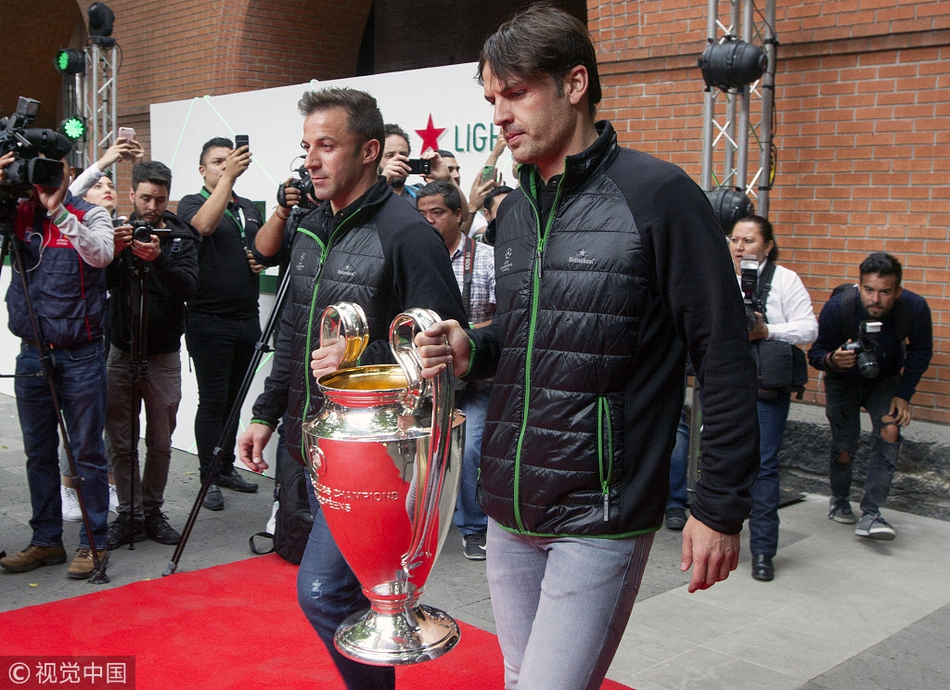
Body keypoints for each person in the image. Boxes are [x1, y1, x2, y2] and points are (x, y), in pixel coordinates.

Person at [414, 5, 760, 689]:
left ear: (574, 84)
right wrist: (473, 348)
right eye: (492, 99)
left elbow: (722, 353)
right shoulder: (515, 211)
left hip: (600, 513)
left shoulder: (659, 195)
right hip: (510, 505)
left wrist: (718, 506)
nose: (500, 115)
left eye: (516, 93)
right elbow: (530, 337)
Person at [237, 86, 466, 690]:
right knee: (344, 593)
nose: (310, 161)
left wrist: (361, 360)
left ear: (368, 151)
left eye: (326, 146)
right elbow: (294, 335)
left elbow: (446, 352)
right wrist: (265, 412)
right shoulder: (309, 227)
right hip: (312, 442)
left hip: (376, 457)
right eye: (306, 147)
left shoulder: (409, 235)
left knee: (322, 591)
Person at [0, 152, 114, 580]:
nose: (47, 178)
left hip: (81, 353)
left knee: (87, 453)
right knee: (38, 453)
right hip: (32, 351)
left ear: (71, 173)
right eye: (39, 170)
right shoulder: (17, 215)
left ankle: (93, 543)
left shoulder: (90, 213)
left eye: (57, 169)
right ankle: (46, 540)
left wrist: (59, 213)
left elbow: (101, 254)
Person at [104, 161, 200, 550]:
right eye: (145, 198)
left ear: (168, 198)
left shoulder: (180, 236)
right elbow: (99, 283)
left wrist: (159, 258)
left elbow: (189, 288)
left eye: (159, 200)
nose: (152, 207)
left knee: (160, 439)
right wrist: (115, 252)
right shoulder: (116, 231)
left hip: (163, 354)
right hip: (122, 350)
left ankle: (152, 510)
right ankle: (128, 515)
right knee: (121, 441)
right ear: (132, 194)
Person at [808, 252, 932, 540]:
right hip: (843, 379)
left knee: (890, 430)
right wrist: (831, 360)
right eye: (869, 290)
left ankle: (872, 512)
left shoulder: (913, 307)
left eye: (885, 292)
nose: (876, 299)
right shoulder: (839, 307)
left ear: (898, 291)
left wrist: (904, 394)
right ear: (859, 285)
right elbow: (815, 353)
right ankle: (840, 499)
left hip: (885, 379)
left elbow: (921, 351)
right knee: (845, 446)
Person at [60, 137, 145, 522]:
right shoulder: (72, 220)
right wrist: (105, 160)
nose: (106, 188)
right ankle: (68, 487)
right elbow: (67, 194)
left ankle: (107, 484)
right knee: (77, 418)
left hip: (110, 333)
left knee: (106, 416)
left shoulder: (119, 226)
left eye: (111, 184)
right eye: (99, 184)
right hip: (76, 333)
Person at [177, 136, 264, 511]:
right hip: (208, 320)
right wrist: (227, 178)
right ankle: (208, 476)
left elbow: (264, 247)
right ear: (203, 170)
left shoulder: (247, 208)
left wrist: (263, 258)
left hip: (247, 319)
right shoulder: (191, 202)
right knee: (213, 401)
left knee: (234, 401)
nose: (225, 166)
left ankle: (225, 467)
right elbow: (203, 227)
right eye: (217, 162)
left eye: (229, 160)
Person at [730, 215, 818, 581]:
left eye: (749, 240)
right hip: (726, 384)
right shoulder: (720, 275)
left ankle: (763, 551)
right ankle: (721, 535)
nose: (740, 247)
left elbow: (809, 328)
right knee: (723, 461)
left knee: (764, 466)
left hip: (767, 386)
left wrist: (767, 331)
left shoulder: (785, 280)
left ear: (767, 246)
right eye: (735, 239)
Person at [416, 180, 495, 560]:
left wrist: (466, 336)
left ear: (458, 215)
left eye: (437, 212)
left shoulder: (487, 257)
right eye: (422, 214)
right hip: (427, 380)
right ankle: (415, 528)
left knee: (471, 448)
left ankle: (474, 528)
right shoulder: (416, 257)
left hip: (476, 379)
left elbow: (507, 319)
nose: (429, 221)